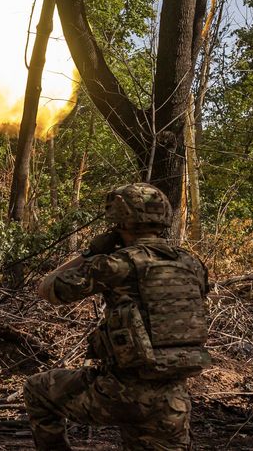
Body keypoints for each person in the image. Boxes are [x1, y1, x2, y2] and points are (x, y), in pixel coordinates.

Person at [22, 183, 211, 451]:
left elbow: (48, 289)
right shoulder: (191, 264)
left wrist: (90, 254)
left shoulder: (117, 264)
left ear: (120, 220)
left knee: (37, 389)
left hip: (118, 393)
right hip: (173, 403)